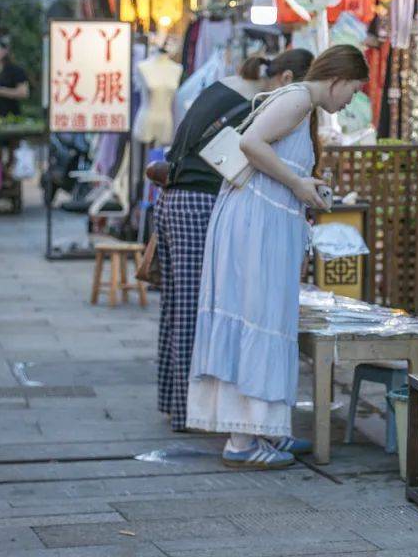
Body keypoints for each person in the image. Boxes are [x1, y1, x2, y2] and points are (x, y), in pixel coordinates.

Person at [185, 45, 369, 469]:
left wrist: (302, 182)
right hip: (256, 225)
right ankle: (242, 438)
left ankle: (262, 428)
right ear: (337, 79)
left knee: (265, 317)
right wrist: (297, 183)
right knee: (258, 314)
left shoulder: (301, 105)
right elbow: (252, 143)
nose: (350, 101)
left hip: (262, 221)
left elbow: (270, 154)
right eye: (353, 91)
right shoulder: (300, 98)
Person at [156, 49, 314, 433]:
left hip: (173, 199)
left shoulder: (225, 86)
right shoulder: (258, 105)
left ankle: (174, 403)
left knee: (178, 307)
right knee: (198, 308)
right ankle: (189, 413)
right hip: (198, 201)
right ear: (288, 78)